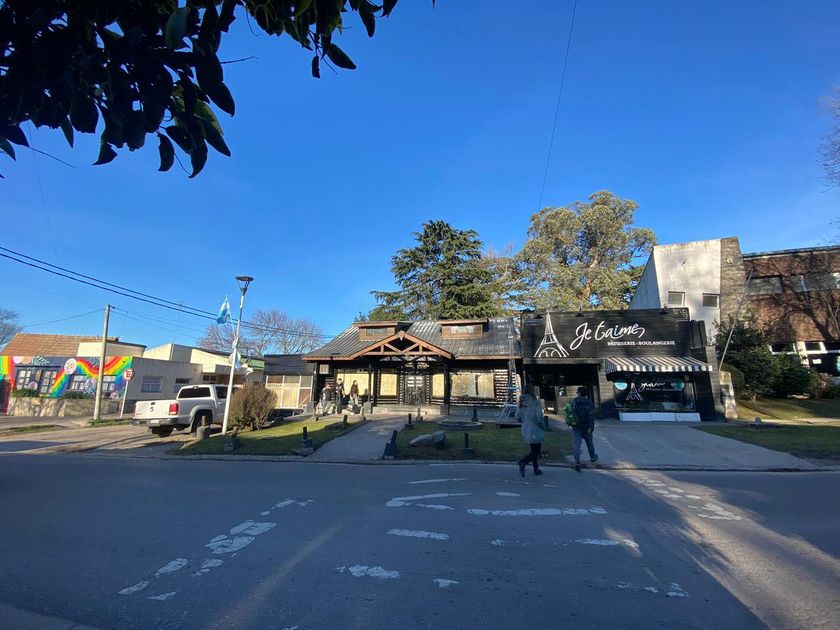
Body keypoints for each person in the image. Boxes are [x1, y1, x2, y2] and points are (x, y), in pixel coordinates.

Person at [515, 386, 546, 477]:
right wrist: (542, 426)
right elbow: (539, 417)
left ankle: (536, 468)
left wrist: (524, 421)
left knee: (533, 450)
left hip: (526, 428)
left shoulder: (521, 402)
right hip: (536, 428)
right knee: (537, 451)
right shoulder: (535, 402)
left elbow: (517, 416)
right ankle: (523, 461)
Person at [570, 386, 598, 472]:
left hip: (576, 427)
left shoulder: (573, 402)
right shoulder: (588, 403)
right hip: (586, 427)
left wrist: (571, 423)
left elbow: (569, 413)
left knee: (576, 445)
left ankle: (577, 462)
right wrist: (591, 427)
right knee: (589, 443)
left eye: (577, 392)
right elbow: (591, 416)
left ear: (579, 393)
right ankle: (592, 458)